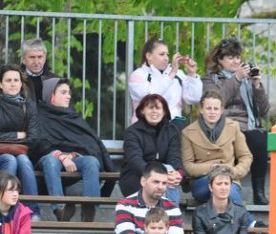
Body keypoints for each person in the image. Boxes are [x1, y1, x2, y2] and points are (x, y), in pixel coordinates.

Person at [31, 77, 115, 222]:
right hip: (50, 158)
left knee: (91, 161)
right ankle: (60, 209)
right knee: (51, 161)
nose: (68, 96)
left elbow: (90, 143)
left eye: (69, 92)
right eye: (63, 92)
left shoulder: (73, 117)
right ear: (51, 94)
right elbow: (38, 144)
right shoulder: (38, 116)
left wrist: (73, 155)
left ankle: (90, 208)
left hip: (74, 159)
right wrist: (61, 157)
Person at [202, 38, 270, 205]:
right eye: (231, 57)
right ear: (220, 60)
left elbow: (263, 110)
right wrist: (237, 79)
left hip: (249, 126)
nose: (236, 61)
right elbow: (216, 101)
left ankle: (259, 192)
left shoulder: (247, 79)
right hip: (224, 125)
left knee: (260, 137)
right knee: (253, 137)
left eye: (238, 57)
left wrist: (257, 85)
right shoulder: (210, 79)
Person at [180, 90, 252, 205]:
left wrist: (233, 171)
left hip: (229, 179)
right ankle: (247, 221)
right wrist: (212, 168)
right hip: (202, 181)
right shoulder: (188, 132)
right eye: (208, 108)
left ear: (221, 110)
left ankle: (242, 220)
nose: (212, 112)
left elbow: (245, 156)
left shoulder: (233, 127)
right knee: (225, 192)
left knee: (228, 190)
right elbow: (187, 165)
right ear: (201, 110)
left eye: (216, 109)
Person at [120, 93, 185, 206]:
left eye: (158, 108)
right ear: (142, 111)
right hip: (136, 177)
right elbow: (135, 160)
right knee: (165, 173)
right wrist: (157, 175)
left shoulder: (171, 131)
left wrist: (177, 173)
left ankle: (168, 216)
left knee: (169, 171)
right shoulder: (132, 132)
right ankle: (172, 217)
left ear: (164, 112)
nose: (154, 111)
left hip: (165, 178)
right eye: (150, 107)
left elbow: (174, 157)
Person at [127, 36, 203, 126]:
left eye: (167, 54)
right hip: (146, 130)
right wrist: (171, 74)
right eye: (162, 54)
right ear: (149, 56)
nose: (166, 58)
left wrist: (192, 74)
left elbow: (193, 98)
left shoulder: (178, 74)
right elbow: (150, 96)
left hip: (173, 129)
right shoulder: (138, 75)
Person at [0, 64, 41, 219]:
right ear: (1, 84)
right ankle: (4, 211)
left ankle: (34, 212)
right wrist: (17, 135)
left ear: (20, 83)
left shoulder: (28, 106)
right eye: (8, 80)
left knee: (24, 161)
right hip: (2, 155)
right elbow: (25, 136)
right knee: (10, 160)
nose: (12, 83)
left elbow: (33, 137)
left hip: (21, 153)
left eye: (16, 80)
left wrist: (6, 136)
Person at [19, 38, 57, 105]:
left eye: (40, 57)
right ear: (23, 60)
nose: (36, 62)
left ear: (45, 58)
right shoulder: (15, 80)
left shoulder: (55, 81)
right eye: (32, 57)